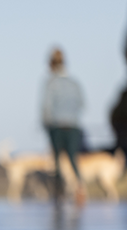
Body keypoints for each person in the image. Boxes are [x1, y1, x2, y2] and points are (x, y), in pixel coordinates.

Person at [41, 47, 86, 204]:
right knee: (73, 158)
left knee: (58, 160)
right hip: (73, 125)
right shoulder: (74, 83)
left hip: (56, 125)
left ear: (51, 64)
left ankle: (59, 193)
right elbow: (82, 104)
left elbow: (46, 107)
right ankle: (80, 186)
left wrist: (45, 124)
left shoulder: (50, 83)